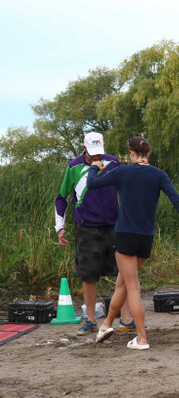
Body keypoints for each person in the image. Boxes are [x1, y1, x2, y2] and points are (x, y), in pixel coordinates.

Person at [89, 137, 179, 350]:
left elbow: (92, 184)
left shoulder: (122, 172)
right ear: (149, 153)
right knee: (122, 282)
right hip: (145, 237)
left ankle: (142, 338)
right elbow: (175, 197)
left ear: (130, 152)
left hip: (125, 235)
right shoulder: (158, 174)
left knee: (132, 287)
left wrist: (94, 167)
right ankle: (107, 325)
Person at [54, 132, 133, 336]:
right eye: (92, 153)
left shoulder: (113, 162)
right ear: (84, 148)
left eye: (99, 153)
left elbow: (125, 189)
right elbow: (62, 198)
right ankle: (90, 321)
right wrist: (59, 227)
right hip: (87, 227)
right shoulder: (73, 167)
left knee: (124, 272)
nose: (97, 157)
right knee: (88, 275)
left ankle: (126, 320)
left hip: (115, 225)